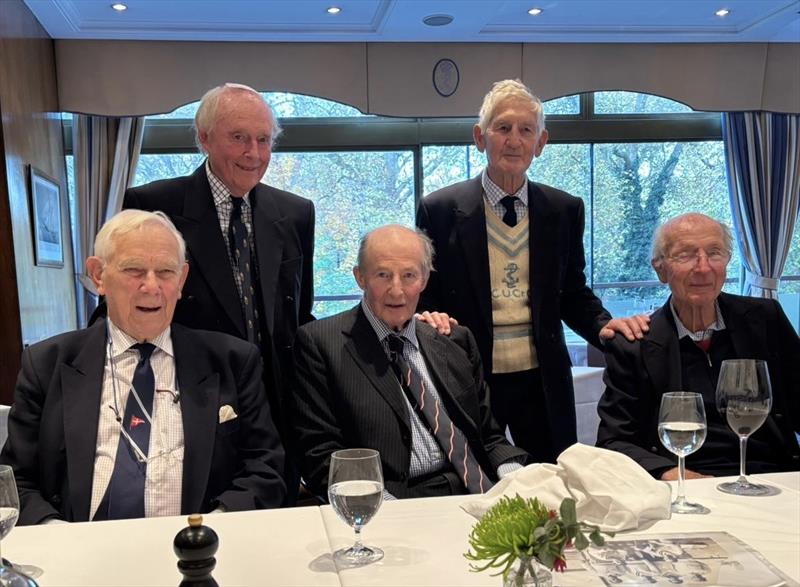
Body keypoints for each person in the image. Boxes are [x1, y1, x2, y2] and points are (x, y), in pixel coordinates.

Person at [1, 210, 286, 525]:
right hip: (79, 545)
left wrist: (214, 527)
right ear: (98, 276)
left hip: (194, 550)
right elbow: (14, 480)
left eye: (165, 271)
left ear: (181, 280)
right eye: (134, 270)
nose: (152, 287)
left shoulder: (233, 360)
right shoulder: (47, 364)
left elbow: (265, 468)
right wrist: (57, 534)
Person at [417, 79, 648, 463]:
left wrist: (602, 325)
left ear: (541, 143)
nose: (514, 140)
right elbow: (428, 293)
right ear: (480, 137)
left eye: (527, 130)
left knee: (551, 479)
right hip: (469, 375)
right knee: (471, 476)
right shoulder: (438, 209)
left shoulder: (564, 210)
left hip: (542, 379)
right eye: (503, 128)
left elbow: (572, 291)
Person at [117, 83, 314, 498]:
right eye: (239, 137)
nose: (254, 153)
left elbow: (300, 316)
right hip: (194, 403)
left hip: (280, 409)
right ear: (204, 138)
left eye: (263, 140)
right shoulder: (154, 205)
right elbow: (127, 309)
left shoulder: (295, 213)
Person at [290, 225, 529, 499]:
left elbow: (489, 436)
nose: (397, 290)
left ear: (425, 279)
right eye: (382, 275)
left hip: (475, 492)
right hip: (396, 499)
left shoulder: (454, 340)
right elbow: (320, 457)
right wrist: (383, 507)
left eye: (409, 276)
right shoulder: (320, 345)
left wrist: (516, 481)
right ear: (360, 277)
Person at [596, 213, 800, 479]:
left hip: (770, 477)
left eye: (715, 253)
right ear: (660, 269)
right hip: (685, 483)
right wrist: (675, 475)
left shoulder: (764, 320)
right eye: (685, 255)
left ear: (727, 262)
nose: (703, 267)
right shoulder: (634, 344)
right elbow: (613, 442)